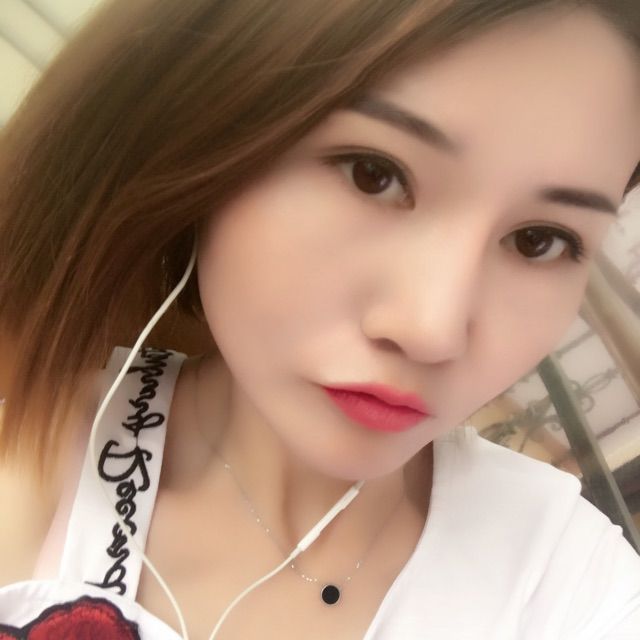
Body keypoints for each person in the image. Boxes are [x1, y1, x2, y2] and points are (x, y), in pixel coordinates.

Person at [0, 0, 639, 638]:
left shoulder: (568, 584)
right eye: (374, 174)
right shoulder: (26, 462)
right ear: (201, 142)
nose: (431, 329)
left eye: (539, 240)